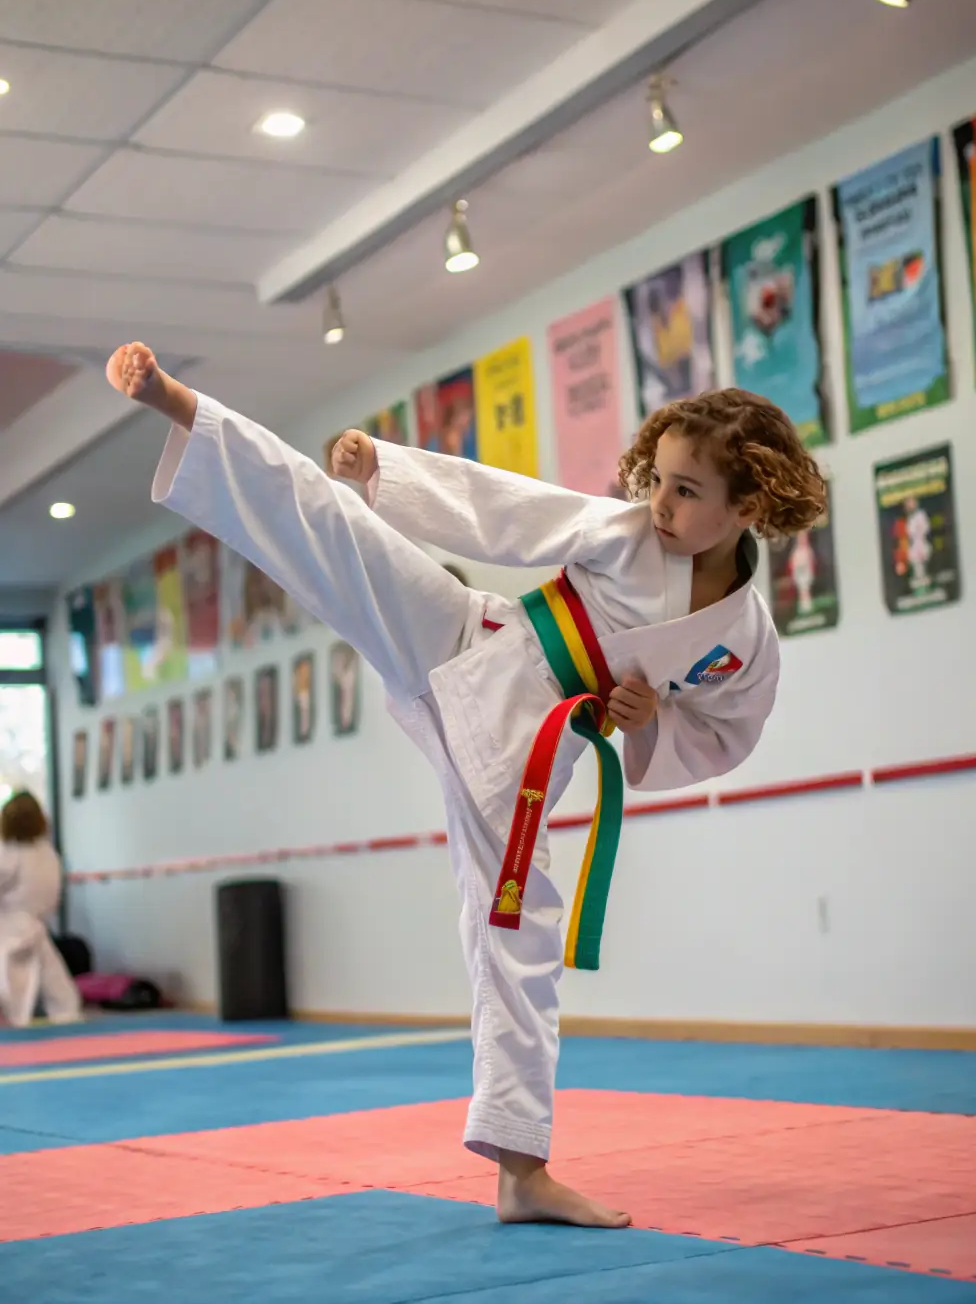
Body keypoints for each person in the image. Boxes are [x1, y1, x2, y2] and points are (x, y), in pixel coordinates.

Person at [105, 341, 826, 1229]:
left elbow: (726, 733)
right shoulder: (625, 533)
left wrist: (650, 720)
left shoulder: (745, 640)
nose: (661, 503)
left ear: (746, 504)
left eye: (687, 490)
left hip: (520, 756)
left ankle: (522, 1172)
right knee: (338, 530)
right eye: (661, 478)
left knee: (520, 940)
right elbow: (512, 512)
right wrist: (390, 476)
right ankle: (186, 408)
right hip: (467, 638)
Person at [0, 791, 83, 1027]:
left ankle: (16, 1020)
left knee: (15, 985)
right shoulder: (48, 854)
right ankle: (67, 1015)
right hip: (35, 924)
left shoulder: (8, 852)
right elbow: (52, 896)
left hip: (9, 925)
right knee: (56, 984)